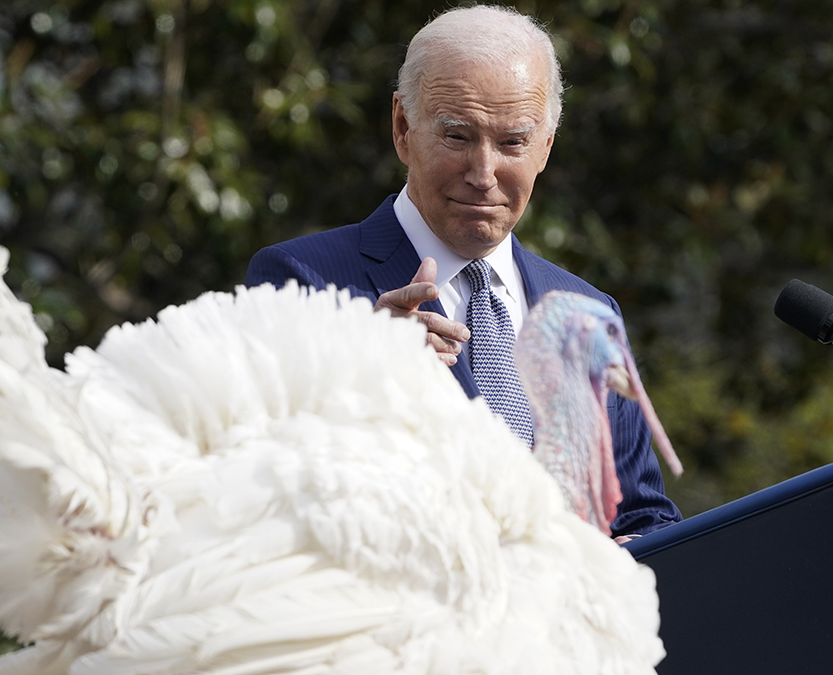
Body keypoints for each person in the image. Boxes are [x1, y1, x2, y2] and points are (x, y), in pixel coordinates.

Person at [245, 5, 680, 537]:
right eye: (457, 136)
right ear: (403, 128)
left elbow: (643, 518)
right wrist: (359, 376)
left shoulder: (588, 313)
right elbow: (256, 490)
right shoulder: (304, 283)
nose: (483, 173)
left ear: (545, 147)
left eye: (512, 142)